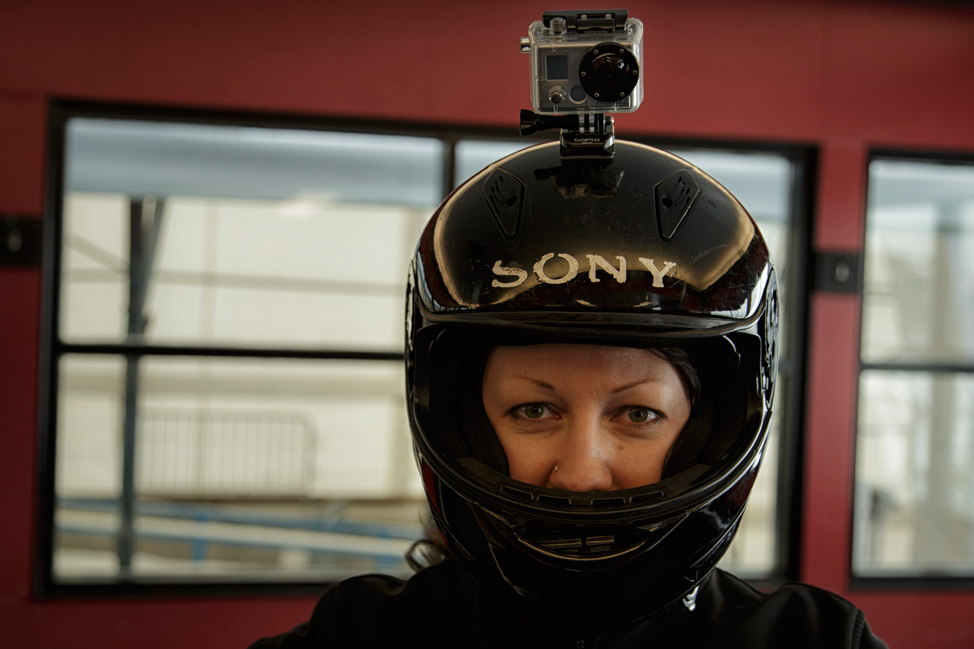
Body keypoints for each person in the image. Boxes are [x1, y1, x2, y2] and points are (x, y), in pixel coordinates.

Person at [250, 139, 887, 648]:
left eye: (638, 413)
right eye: (534, 410)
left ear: (711, 428)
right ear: (460, 420)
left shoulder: (814, 640)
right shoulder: (362, 634)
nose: (581, 476)